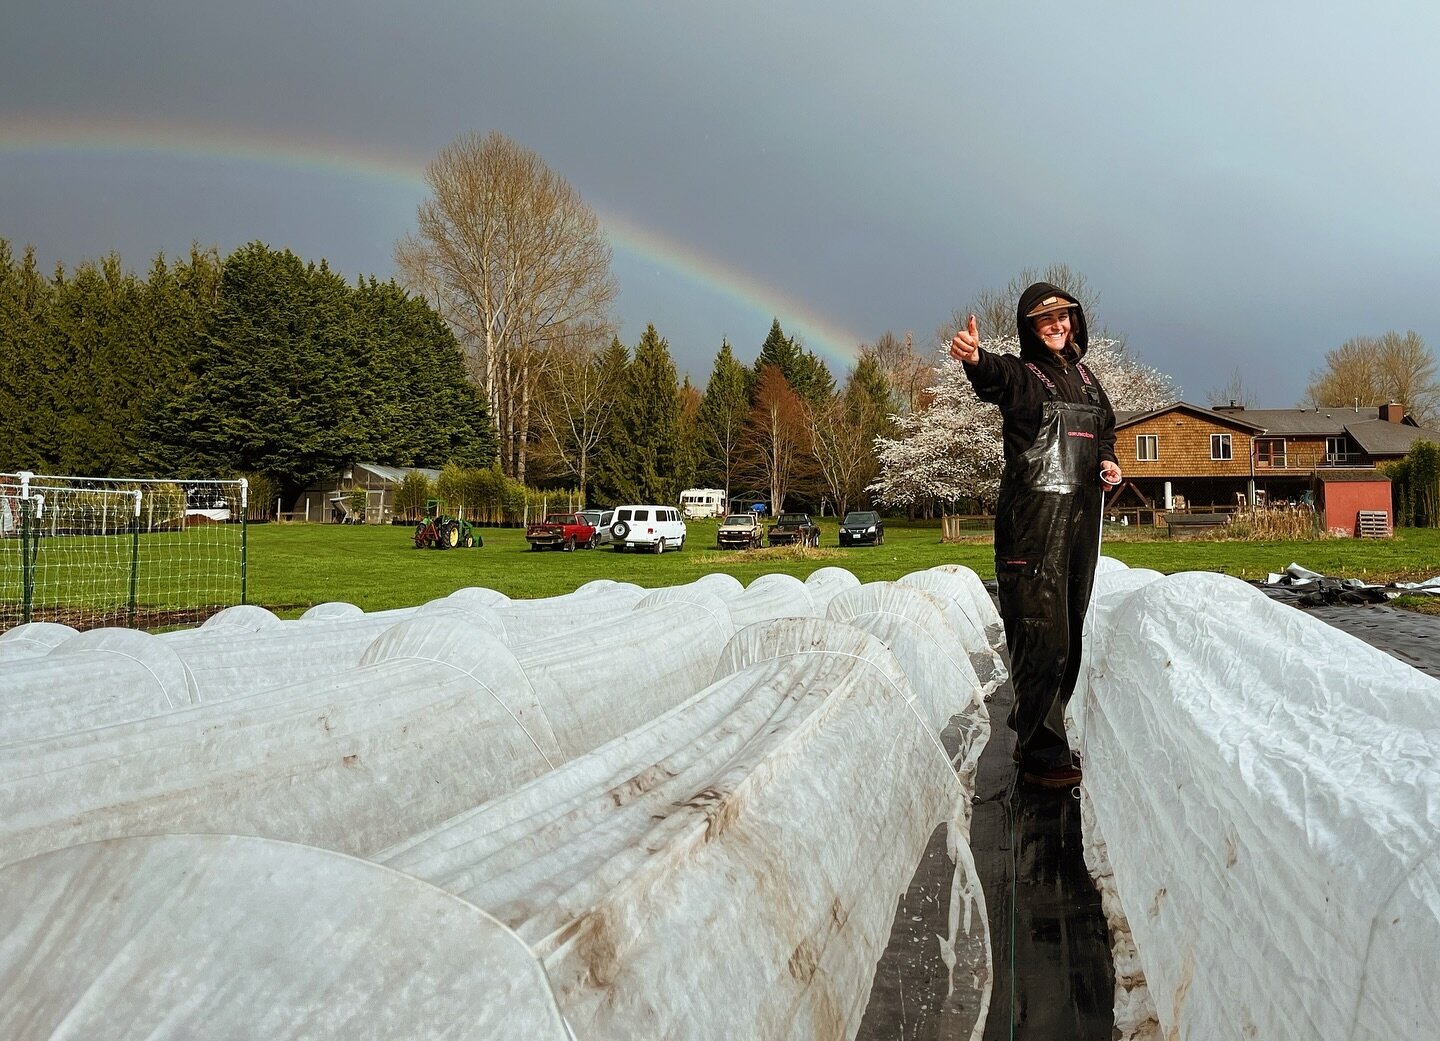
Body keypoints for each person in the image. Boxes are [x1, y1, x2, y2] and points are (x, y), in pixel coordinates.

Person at [949, 282, 1121, 787]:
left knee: (1069, 630)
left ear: (1075, 321)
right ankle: (1040, 752)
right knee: (1039, 633)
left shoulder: (1088, 380)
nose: (1056, 326)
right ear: (1029, 328)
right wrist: (975, 358)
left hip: (1082, 522)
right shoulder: (1023, 377)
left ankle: (1035, 726)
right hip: (1033, 527)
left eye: (1063, 317)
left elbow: (1105, 429)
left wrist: (1108, 461)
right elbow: (993, 376)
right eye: (1045, 320)